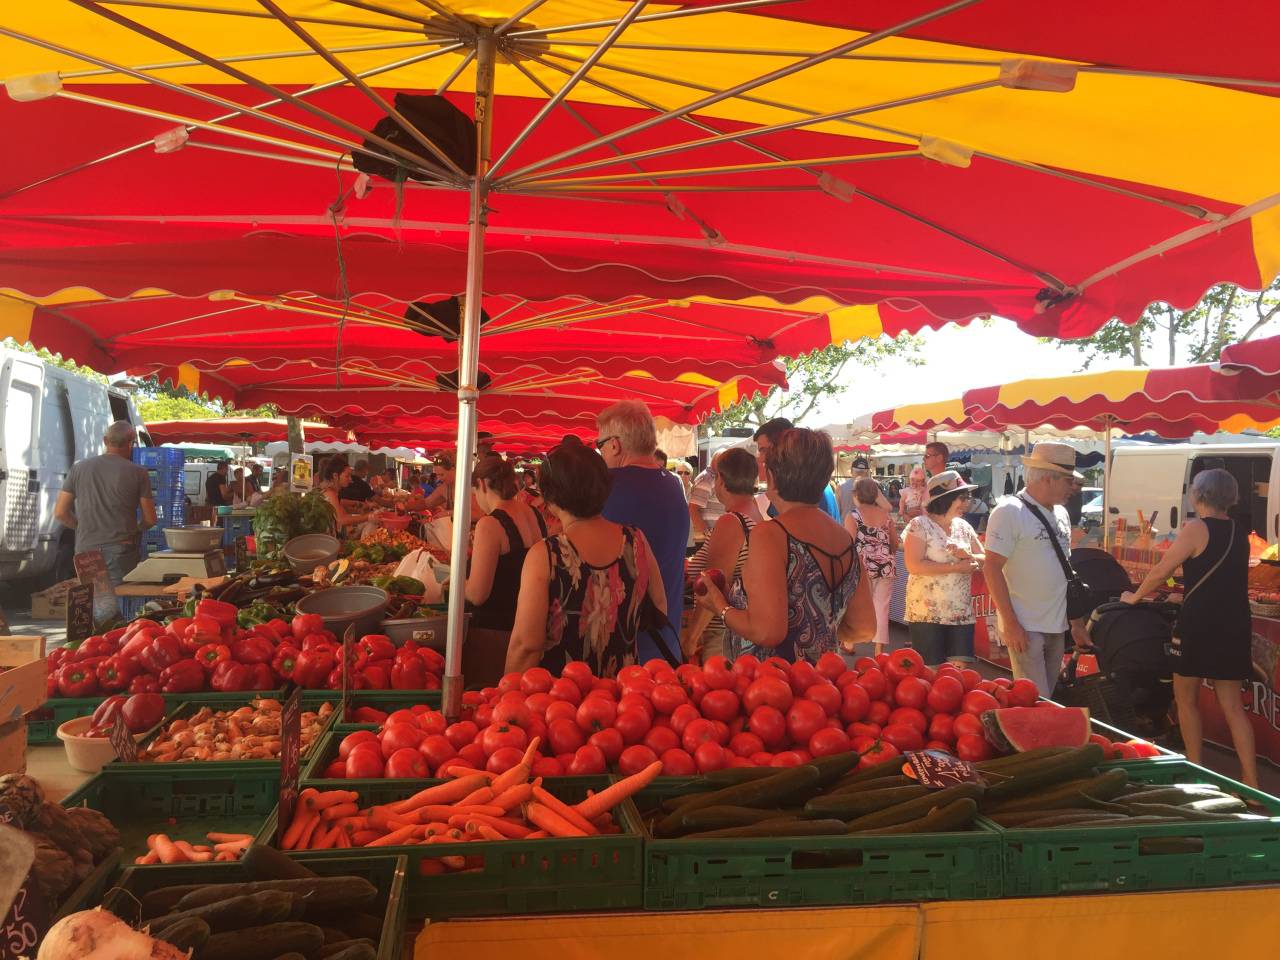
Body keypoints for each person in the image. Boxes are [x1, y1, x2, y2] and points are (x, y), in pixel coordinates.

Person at [1122, 469, 1257, 786]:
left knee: (1185, 699)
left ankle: (1197, 773)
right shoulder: (1240, 531)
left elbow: (1161, 571)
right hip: (1235, 622)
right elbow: (1222, 579)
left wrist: (1135, 596)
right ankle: (1251, 782)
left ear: (1198, 495)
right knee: (1233, 707)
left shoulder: (1195, 527)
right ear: (1231, 497)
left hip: (1199, 623)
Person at [697, 428, 875, 663]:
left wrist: (720, 606)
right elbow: (864, 627)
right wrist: (816, 631)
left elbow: (767, 632)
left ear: (771, 476)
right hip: (824, 684)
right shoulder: (843, 538)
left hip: (770, 684)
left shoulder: (770, 534)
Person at [506, 438, 666, 677]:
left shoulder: (547, 554)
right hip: (626, 697)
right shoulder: (636, 541)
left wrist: (505, 695)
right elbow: (660, 609)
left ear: (550, 496)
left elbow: (527, 645)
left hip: (559, 701)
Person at [984, 442, 1085, 696]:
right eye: (1067, 480)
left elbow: (1065, 571)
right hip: (1025, 625)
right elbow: (992, 567)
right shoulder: (1009, 511)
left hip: (1057, 623)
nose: (1072, 487)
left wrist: (1076, 623)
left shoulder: (1062, 513)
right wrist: (1011, 623)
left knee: (1047, 696)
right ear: (1048, 479)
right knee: (1037, 700)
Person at [596, 400, 690, 663]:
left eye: (599, 445)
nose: (600, 453)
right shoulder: (675, 486)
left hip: (620, 648)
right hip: (665, 640)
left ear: (614, 444)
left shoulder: (605, 486)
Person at [54, 421, 157, 590]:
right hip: (121, 547)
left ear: (105, 440)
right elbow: (151, 519)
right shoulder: (138, 472)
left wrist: (81, 527)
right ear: (131, 443)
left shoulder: (78, 469)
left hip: (86, 547)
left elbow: (60, 513)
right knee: (120, 601)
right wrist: (137, 529)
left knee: (94, 602)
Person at [683, 449, 763, 662]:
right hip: (740, 631)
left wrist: (691, 638)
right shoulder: (755, 513)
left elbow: (714, 585)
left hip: (721, 634)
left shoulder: (732, 522)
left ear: (722, 480)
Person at [903, 471, 984, 665]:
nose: (967, 503)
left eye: (968, 497)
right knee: (931, 673)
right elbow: (913, 565)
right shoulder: (919, 525)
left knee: (959, 674)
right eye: (962, 497)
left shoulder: (964, 526)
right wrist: (956, 567)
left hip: (961, 613)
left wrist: (969, 556)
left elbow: (984, 557)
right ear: (945, 499)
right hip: (927, 614)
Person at [465, 455, 549, 632]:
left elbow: (477, 595)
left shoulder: (489, 524)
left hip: (495, 632)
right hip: (530, 625)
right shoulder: (534, 513)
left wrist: (453, 583)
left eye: (475, 494)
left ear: (481, 484)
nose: (477, 501)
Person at [844, 477, 900, 656]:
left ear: (856, 495)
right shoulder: (886, 516)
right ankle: (879, 650)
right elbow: (894, 543)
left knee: (857, 604)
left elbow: (849, 543)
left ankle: (850, 643)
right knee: (881, 607)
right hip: (885, 566)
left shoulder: (854, 516)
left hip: (862, 566)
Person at [753, 417, 841, 521]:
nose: (760, 458)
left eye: (764, 450)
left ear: (783, 447)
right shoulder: (810, 483)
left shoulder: (800, 492)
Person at [319, 456, 376, 533]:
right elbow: (342, 519)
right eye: (347, 476)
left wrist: (358, 505)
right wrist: (369, 516)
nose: (350, 479)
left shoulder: (333, 491)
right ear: (335, 476)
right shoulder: (329, 493)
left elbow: (340, 505)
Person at [688, 451, 726, 542]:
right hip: (707, 539)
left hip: (712, 537)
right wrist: (707, 534)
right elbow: (693, 509)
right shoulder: (707, 479)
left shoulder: (713, 477)